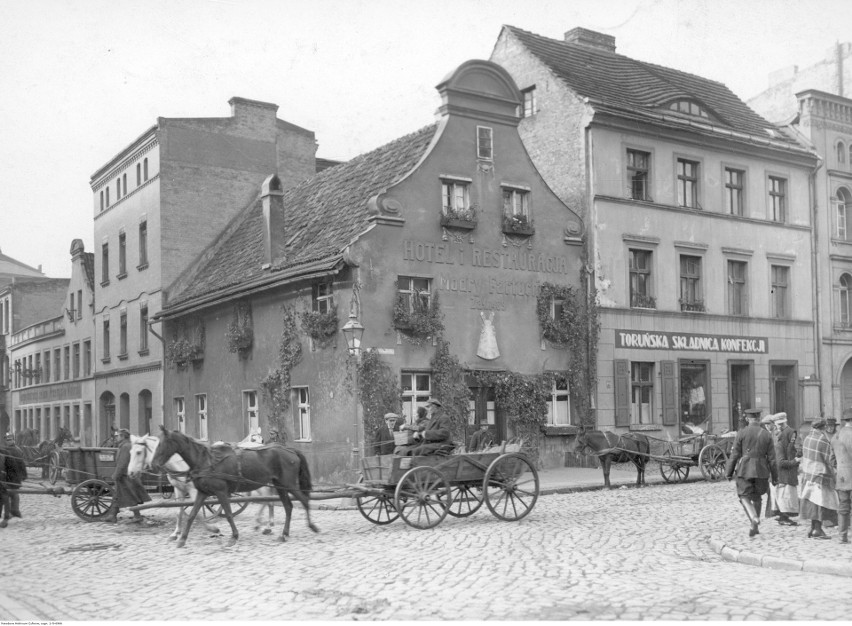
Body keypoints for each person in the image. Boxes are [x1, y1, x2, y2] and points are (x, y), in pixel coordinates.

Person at [726, 408, 778, 537]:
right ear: (759, 419)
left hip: (745, 470)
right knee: (757, 497)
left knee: (743, 496)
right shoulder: (766, 435)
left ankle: (754, 518)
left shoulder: (742, 433)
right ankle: (754, 526)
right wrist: (775, 477)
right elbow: (772, 459)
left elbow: (734, 455)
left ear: (747, 419)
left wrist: (729, 472)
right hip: (762, 470)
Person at [798, 417, 839, 540]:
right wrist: (834, 474)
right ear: (823, 427)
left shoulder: (807, 438)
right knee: (820, 503)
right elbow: (829, 460)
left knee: (811, 502)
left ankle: (812, 528)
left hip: (808, 474)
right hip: (820, 476)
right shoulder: (823, 440)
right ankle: (817, 529)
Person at [102, 429, 150, 523]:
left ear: (123, 436)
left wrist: (116, 475)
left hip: (125, 476)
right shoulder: (126, 445)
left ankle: (137, 516)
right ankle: (113, 515)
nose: (116, 438)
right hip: (126, 475)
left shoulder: (125, 446)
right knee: (117, 495)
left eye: (118, 436)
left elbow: (122, 463)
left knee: (131, 496)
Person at [771, 412, 800, 526]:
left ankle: (783, 516)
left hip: (787, 469)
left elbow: (794, 448)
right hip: (785, 469)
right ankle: (784, 517)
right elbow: (781, 461)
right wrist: (795, 461)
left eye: (780, 425)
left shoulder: (787, 434)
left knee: (785, 494)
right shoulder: (783, 437)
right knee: (786, 494)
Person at [831, 408, 852, 544]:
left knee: (843, 506)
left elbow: (832, 459)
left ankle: (842, 536)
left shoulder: (835, 436)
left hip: (842, 476)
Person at [0, 433, 27, 527]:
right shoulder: (9, 449)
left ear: (13, 440)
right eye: (7, 440)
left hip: (14, 476)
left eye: (10, 440)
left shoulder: (14, 450)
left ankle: (11, 513)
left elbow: (21, 464)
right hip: (11, 475)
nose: (8, 441)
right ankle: (14, 511)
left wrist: (23, 475)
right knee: (12, 493)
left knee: (10, 493)